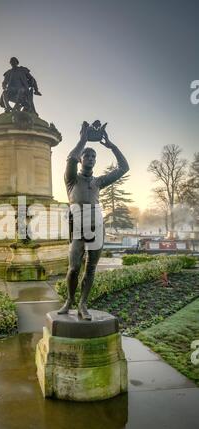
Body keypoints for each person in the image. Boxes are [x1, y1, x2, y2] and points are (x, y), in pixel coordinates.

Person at [58, 121, 129, 320]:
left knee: (91, 268)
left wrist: (112, 146)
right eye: (86, 156)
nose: (90, 158)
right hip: (79, 228)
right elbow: (70, 157)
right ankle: (69, 300)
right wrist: (83, 139)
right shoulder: (72, 179)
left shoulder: (98, 182)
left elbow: (124, 167)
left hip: (97, 228)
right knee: (73, 268)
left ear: (95, 161)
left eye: (93, 156)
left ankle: (83, 304)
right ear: (81, 160)